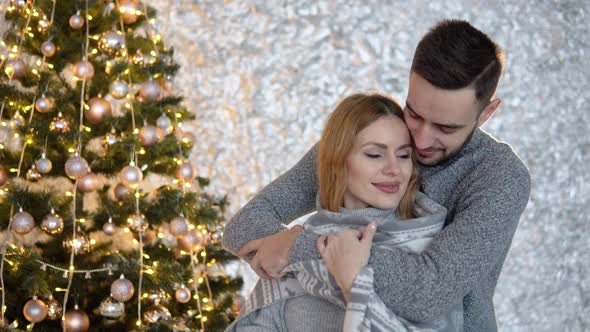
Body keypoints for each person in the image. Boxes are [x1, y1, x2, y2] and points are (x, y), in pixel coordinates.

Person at [223, 19, 531, 331]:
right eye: (414, 113)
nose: (420, 141)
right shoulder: (372, 135)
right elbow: (245, 224)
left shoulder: (500, 176)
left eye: (445, 127)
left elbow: (428, 292)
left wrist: (297, 246)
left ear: (487, 113)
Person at [226, 93, 462, 331]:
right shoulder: (303, 238)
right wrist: (309, 248)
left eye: (403, 155)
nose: (394, 169)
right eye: (374, 154)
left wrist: (353, 285)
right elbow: (260, 324)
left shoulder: (428, 252)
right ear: (338, 160)